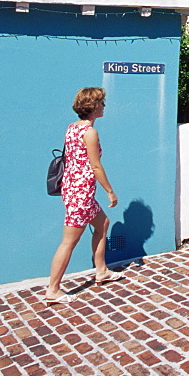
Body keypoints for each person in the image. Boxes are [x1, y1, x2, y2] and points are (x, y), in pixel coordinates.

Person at [45, 87, 122, 304]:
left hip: (74, 190)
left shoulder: (72, 128)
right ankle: (53, 288)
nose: (104, 106)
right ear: (93, 107)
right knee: (68, 242)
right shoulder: (90, 133)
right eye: (101, 103)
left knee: (103, 223)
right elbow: (95, 166)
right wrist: (110, 191)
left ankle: (101, 271)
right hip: (81, 194)